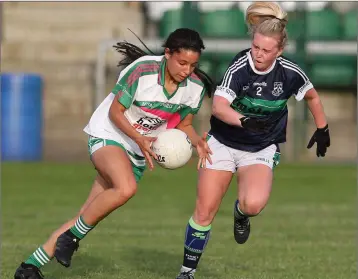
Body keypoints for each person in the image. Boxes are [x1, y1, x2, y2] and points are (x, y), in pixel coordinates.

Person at [14, 28, 214, 279]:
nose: (186, 70)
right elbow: (115, 113)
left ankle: (30, 267)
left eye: (193, 65)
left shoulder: (194, 87)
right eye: (182, 63)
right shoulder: (144, 71)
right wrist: (139, 137)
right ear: (167, 54)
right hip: (109, 133)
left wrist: (197, 141)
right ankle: (72, 239)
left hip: (137, 149)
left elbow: (184, 125)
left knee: (86, 215)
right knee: (126, 188)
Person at [175, 2, 331, 279]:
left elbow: (312, 96)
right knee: (205, 210)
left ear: (279, 51)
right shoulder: (240, 67)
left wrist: (322, 128)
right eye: (255, 47)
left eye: (266, 50)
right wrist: (244, 120)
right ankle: (187, 272)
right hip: (222, 142)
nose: (258, 54)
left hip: (259, 147)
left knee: (253, 204)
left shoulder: (289, 73)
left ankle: (241, 214)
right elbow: (219, 107)